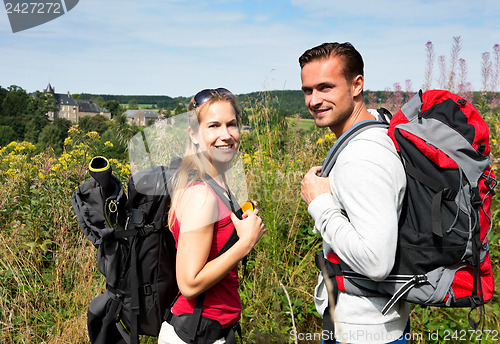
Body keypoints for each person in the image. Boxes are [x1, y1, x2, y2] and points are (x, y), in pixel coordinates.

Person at [299, 42, 410, 344]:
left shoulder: (362, 157)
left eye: (325, 87)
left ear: (356, 84)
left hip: (364, 332)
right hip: (376, 323)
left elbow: (376, 262)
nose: (314, 100)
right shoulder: (377, 128)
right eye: (308, 90)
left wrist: (319, 202)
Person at [158, 88, 265, 344]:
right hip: (195, 335)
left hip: (212, 330)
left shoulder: (217, 181)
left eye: (231, 124)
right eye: (213, 126)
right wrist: (245, 243)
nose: (225, 135)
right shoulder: (201, 195)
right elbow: (189, 283)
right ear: (194, 134)